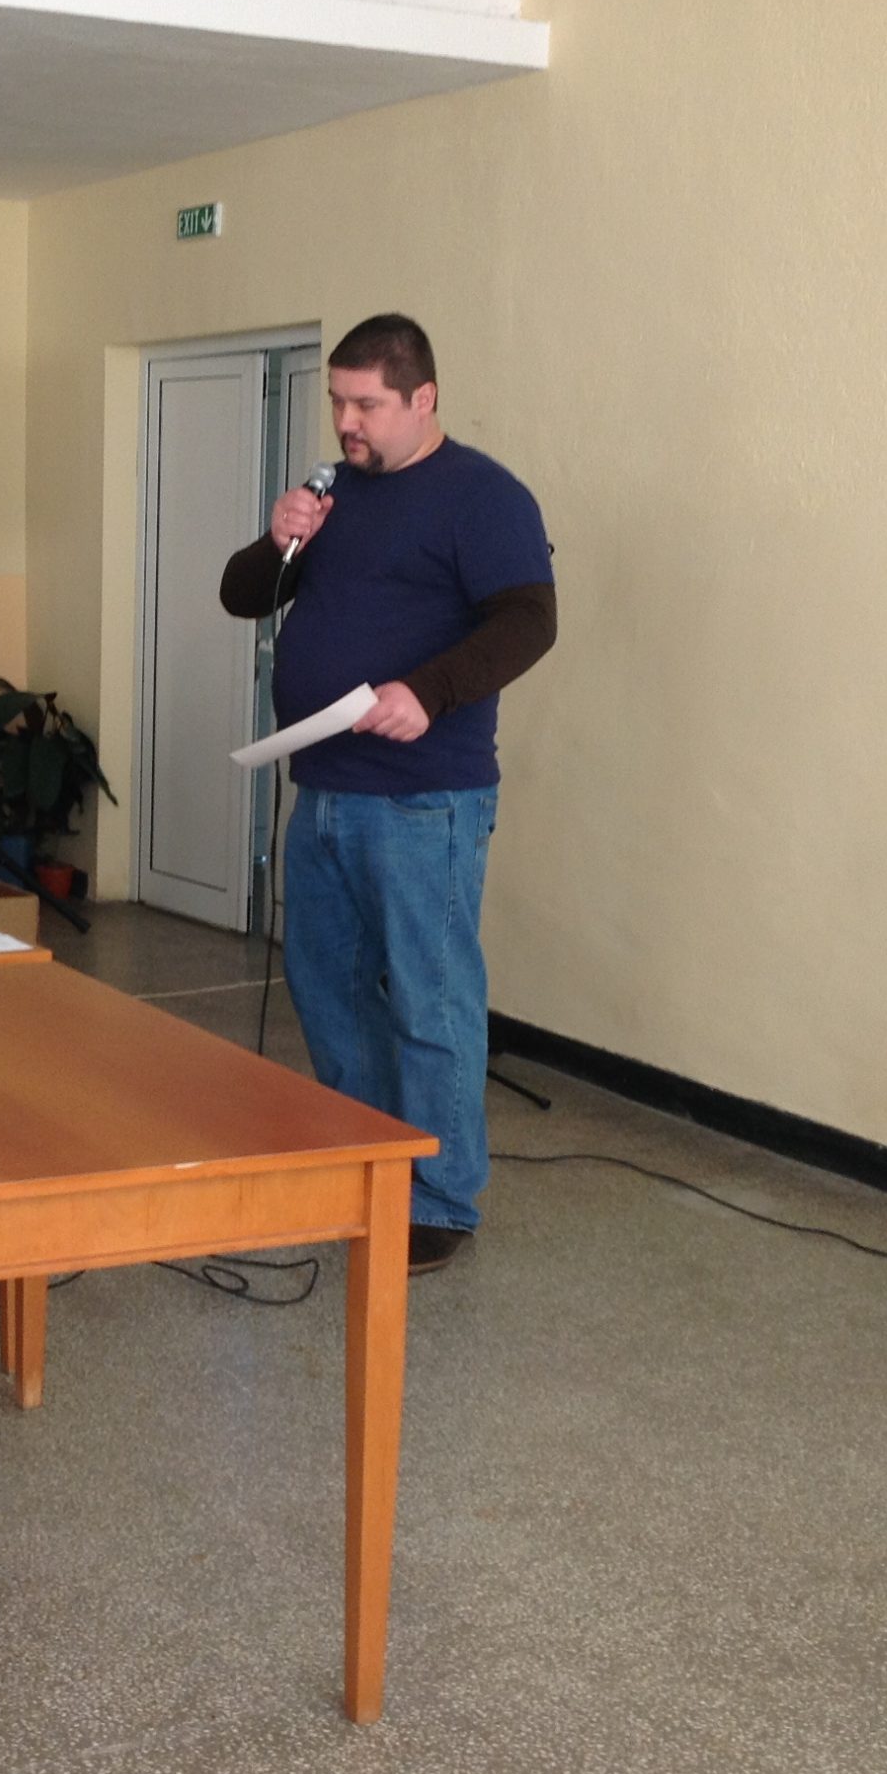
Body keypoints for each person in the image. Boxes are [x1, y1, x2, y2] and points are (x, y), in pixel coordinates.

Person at [218, 314, 556, 1276]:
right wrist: (278, 540)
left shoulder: (483, 497)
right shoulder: (335, 493)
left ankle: (440, 1199)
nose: (346, 421)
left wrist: (430, 691)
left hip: (423, 798)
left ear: (423, 398)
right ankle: (367, 1165)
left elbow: (530, 621)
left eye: (366, 404)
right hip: (323, 786)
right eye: (338, 401)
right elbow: (243, 595)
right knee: (326, 989)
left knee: (428, 998)